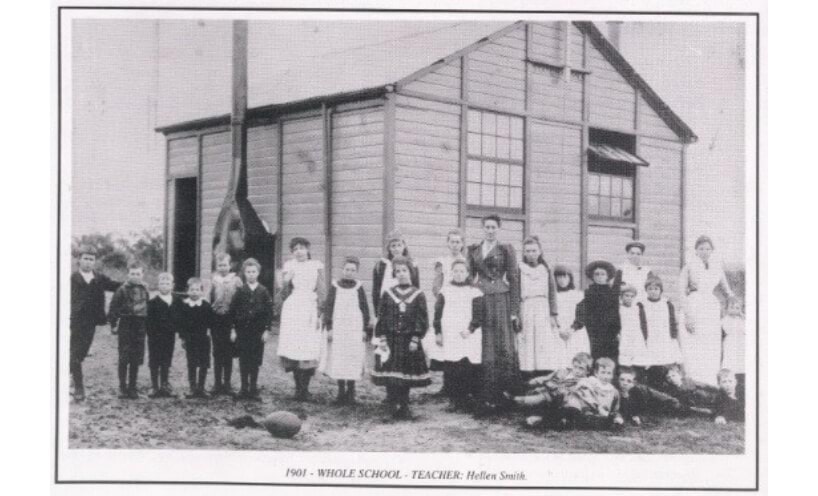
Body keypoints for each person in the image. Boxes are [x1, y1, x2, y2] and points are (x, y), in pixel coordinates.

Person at [466, 214, 521, 415]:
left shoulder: (506, 249)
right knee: (483, 345)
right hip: (481, 298)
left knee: (502, 345)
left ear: (498, 229)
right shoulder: (473, 250)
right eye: (487, 227)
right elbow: (469, 274)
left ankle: (503, 395)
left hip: (501, 299)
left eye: (493, 227)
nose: (490, 230)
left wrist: (515, 311)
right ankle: (483, 395)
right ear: (483, 228)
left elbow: (514, 279)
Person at [371, 256, 431, 419]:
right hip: (391, 339)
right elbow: (381, 316)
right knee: (391, 373)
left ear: (410, 273)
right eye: (398, 271)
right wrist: (382, 337)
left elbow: (422, 318)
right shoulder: (388, 293)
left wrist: (416, 338)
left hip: (408, 340)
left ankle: (404, 406)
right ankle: (392, 405)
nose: (401, 274)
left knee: (405, 373)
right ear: (394, 274)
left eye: (404, 271)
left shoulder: (418, 294)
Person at [679, 235, 736, 385]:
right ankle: (693, 382)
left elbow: (727, 290)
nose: (704, 251)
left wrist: (732, 301)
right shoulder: (689, 266)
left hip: (710, 308)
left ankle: (710, 383)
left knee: (710, 345)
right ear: (696, 250)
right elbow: (680, 292)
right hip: (694, 305)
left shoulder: (717, 267)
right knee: (693, 344)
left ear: (712, 251)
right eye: (701, 248)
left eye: (707, 249)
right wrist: (688, 316)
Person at [277, 237, 326, 401]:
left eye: (302, 248)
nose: (299, 251)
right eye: (295, 249)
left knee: (308, 348)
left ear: (308, 249)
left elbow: (322, 291)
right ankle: (298, 388)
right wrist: (285, 281)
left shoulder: (316, 266)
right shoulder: (289, 266)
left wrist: (320, 312)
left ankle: (305, 388)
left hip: (310, 308)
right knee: (294, 348)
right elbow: (283, 293)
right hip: (293, 308)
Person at [69, 245, 121, 401]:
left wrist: (134, 283)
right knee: (74, 353)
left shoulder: (98, 278)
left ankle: (70, 378)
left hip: (91, 321)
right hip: (74, 320)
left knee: (81, 353)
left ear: (95, 262)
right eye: (85, 258)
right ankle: (79, 387)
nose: (88, 262)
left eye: (91, 259)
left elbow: (115, 286)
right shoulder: (71, 278)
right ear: (79, 259)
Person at [432, 258, 484, 411]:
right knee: (452, 366)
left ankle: (469, 399)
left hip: (469, 334)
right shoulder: (445, 291)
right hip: (451, 334)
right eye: (456, 271)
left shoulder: (474, 291)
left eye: (462, 271)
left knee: (468, 365)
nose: (459, 274)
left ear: (468, 273)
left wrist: (471, 328)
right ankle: (454, 399)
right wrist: (438, 333)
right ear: (451, 273)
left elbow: (479, 314)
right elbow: (437, 313)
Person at [322, 256, 372, 405]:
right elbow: (328, 308)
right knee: (339, 357)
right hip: (339, 328)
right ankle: (340, 392)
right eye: (347, 269)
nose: (349, 272)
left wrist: (364, 330)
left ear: (356, 272)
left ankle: (351, 392)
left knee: (352, 358)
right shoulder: (335, 286)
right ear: (342, 270)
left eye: (352, 270)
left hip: (354, 329)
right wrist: (329, 328)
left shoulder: (359, 287)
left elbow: (365, 309)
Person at [426, 228, 467, 393]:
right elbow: (436, 285)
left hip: (462, 304)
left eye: (458, 241)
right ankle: (446, 385)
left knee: (461, 343)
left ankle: (459, 385)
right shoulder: (442, 262)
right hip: (446, 303)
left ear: (462, 244)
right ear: (447, 243)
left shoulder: (466, 261)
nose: (455, 245)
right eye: (452, 241)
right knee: (446, 342)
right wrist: (442, 296)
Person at [507, 352, 593, 428]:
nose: (577, 371)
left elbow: (571, 393)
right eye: (575, 367)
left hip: (556, 399)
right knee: (532, 384)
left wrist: (555, 387)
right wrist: (538, 380)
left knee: (543, 397)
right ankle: (509, 396)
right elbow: (547, 377)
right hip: (545, 389)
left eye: (581, 368)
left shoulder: (583, 381)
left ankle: (514, 401)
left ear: (587, 371)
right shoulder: (564, 371)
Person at [228, 258, 273, 400]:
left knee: (255, 360)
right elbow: (232, 311)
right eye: (248, 272)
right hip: (243, 331)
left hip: (257, 332)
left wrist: (267, 330)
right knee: (244, 359)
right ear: (244, 273)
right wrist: (233, 329)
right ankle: (244, 388)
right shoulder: (240, 291)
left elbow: (269, 312)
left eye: (254, 272)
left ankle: (253, 388)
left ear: (258, 273)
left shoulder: (264, 291)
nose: (251, 274)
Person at [516, 235, 560, 376]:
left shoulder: (545, 269)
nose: (531, 254)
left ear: (540, 251)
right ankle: (528, 376)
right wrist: (516, 314)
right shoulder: (520, 269)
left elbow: (552, 292)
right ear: (523, 252)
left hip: (543, 308)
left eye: (534, 251)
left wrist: (553, 314)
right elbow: (516, 293)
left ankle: (544, 375)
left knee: (543, 342)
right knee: (527, 342)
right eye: (527, 251)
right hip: (527, 307)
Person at [108, 261, 150, 399]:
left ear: (142, 275)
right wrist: (113, 324)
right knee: (124, 356)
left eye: (138, 274)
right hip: (126, 324)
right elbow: (113, 308)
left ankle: (132, 387)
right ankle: (122, 387)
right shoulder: (121, 289)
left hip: (139, 325)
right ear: (128, 274)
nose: (135, 276)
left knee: (136, 357)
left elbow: (148, 308)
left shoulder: (145, 289)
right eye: (132, 273)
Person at [639, 276, 683, 388]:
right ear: (646, 290)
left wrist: (673, 337)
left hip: (665, 338)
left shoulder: (667, 304)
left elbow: (672, 321)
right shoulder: (642, 305)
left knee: (666, 364)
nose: (653, 291)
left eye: (656, 289)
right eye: (650, 289)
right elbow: (641, 323)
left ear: (660, 290)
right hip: (650, 339)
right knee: (652, 366)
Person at [209, 252, 242, 395]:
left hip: (230, 318)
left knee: (228, 352)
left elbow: (240, 300)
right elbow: (210, 300)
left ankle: (227, 383)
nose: (223, 268)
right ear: (217, 266)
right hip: (217, 319)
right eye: (220, 265)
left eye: (225, 265)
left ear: (230, 265)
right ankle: (217, 383)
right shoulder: (213, 281)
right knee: (217, 352)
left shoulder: (236, 280)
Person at [146, 272, 182, 398]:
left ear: (172, 285)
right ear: (158, 285)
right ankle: (154, 385)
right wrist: (151, 333)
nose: (165, 286)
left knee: (166, 359)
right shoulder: (153, 302)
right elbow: (148, 321)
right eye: (162, 283)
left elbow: (180, 318)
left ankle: (165, 384)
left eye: (167, 283)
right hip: (155, 336)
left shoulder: (177, 300)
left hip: (169, 335)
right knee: (154, 360)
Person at [576, 260, 621, 361]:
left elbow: (616, 313)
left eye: (602, 274)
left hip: (610, 333)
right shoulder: (588, 293)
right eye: (597, 274)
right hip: (594, 334)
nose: (600, 277)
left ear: (607, 276)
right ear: (592, 277)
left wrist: (617, 330)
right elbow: (583, 311)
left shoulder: (613, 293)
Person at [561, 357, 623, 429]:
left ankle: (604, 422)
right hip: (589, 412)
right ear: (596, 373)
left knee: (609, 419)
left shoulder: (614, 391)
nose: (605, 376)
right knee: (583, 416)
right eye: (603, 372)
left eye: (609, 373)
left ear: (612, 375)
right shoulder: (591, 383)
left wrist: (618, 417)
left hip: (603, 414)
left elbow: (615, 409)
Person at [178, 278, 214, 399]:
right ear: (187, 291)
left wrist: (209, 332)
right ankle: (192, 388)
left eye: (197, 290)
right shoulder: (184, 306)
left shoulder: (206, 305)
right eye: (192, 289)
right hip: (190, 339)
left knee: (204, 363)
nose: (194, 292)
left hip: (203, 339)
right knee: (192, 363)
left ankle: (201, 388)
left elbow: (211, 322)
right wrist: (182, 338)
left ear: (202, 292)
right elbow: (181, 324)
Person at [373, 229, 420, 317]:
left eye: (399, 245)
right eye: (393, 246)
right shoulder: (382, 265)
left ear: (404, 246)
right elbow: (376, 292)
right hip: (386, 308)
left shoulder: (412, 264)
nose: (396, 249)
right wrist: (377, 314)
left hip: (407, 308)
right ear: (389, 248)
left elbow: (416, 288)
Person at [552, 266, 590, 368]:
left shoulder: (577, 295)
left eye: (565, 277)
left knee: (576, 358)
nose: (562, 280)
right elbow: (550, 315)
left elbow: (582, 315)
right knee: (559, 360)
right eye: (559, 277)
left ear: (570, 278)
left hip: (575, 331)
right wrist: (559, 330)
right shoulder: (552, 296)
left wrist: (572, 329)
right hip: (557, 331)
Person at [617, 366, 682, 426]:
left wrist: (641, 418)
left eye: (629, 381)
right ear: (617, 380)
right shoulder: (614, 392)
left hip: (654, 408)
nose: (625, 383)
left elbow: (663, 398)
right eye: (622, 379)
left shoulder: (642, 390)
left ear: (634, 383)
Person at [618, 284, 649, 375]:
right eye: (626, 296)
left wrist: (644, 338)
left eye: (632, 296)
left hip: (636, 337)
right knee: (625, 361)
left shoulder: (637, 308)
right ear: (621, 296)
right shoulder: (619, 309)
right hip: (624, 336)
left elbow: (643, 324)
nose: (629, 298)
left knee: (638, 360)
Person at [721, 296, 746, 398]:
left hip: (741, 344)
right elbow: (726, 329)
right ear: (727, 308)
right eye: (732, 307)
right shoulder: (725, 320)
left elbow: (746, 330)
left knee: (741, 364)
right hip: (731, 343)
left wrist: (743, 316)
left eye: (737, 308)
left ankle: (741, 388)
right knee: (731, 364)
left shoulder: (742, 320)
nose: (735, 310)